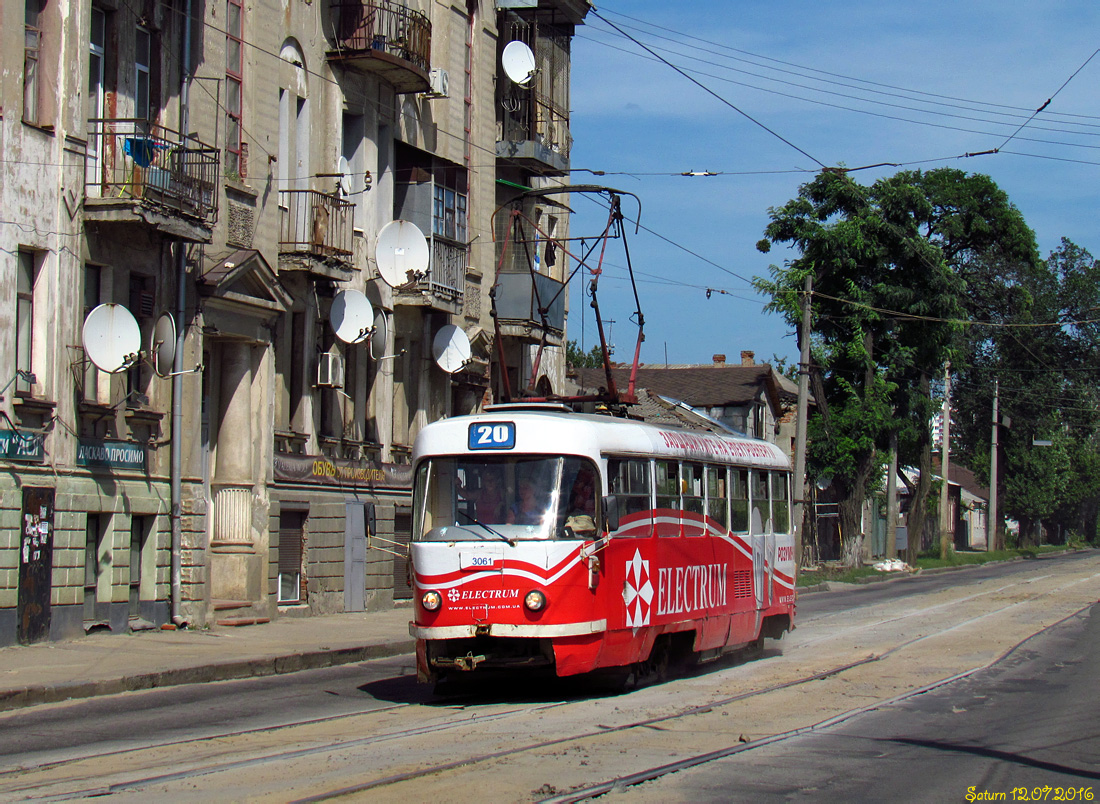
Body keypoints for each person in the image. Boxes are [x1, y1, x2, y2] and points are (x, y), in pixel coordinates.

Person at [564, 468, 597, 535]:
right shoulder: (571, 495)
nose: (576, 484)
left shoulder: (593, 497)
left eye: (580, 481)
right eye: (576, 481)